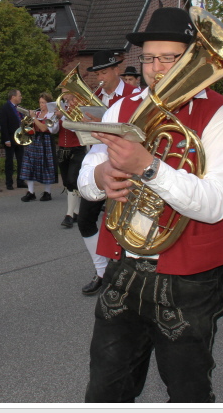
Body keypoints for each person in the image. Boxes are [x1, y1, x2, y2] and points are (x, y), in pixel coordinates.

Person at [78, 7, 223, 403]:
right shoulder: (121, 108)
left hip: (190, 278)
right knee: (105, 389)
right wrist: (100, 177)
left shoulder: (219, 113)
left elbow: (217, 203)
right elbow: (87, 176)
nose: (156, 68)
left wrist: (149, 167)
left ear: (190, 59)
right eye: (149, 58)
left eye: (169, 57)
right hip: (125, 265)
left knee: (188, 392)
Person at [77, 50, 137, 296]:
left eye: (104, 72)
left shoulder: (134, 95)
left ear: (116, 70)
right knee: (85, 220)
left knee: (123, 225)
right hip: (99, 165)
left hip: (126, 166)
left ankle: (125, 276)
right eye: (97, 74)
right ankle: (102, 271)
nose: (100, 78)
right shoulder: (95, 97)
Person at [19, 92, 59, 202]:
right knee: (29, 164)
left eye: (44, 103)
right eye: (40, 102)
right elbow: (29, 127)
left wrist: (33, 118)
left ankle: (47, 192)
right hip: (34, 140)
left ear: (49, 104)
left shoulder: (52, 115)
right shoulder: (37, 113)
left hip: (45, 140)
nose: (41, 105)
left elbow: (43, 128)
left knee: (46, 165)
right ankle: (30, 192)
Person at [55, 89, 86, 228]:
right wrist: (54, 120)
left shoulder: (79, 107)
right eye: (63, 92)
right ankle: (76, 212)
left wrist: (62, 116)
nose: (64, 95)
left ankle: (68, 215)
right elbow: (54, 130)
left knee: (73, 179)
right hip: (63, 148)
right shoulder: (62, 107)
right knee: (68, 182)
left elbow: (75, 127)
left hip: (77, 148)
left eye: (66, 91)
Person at [0, 89, 24, 190]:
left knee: (21, 160)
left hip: (20, 138)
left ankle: (20, 181)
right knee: (9, 161)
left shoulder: (19, 108)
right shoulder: (5, 108)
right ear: (13, 97)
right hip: (10, 138)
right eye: (19, 95)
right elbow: (3, 124)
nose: (21, 97)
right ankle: (9, 183)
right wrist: (6, 139)